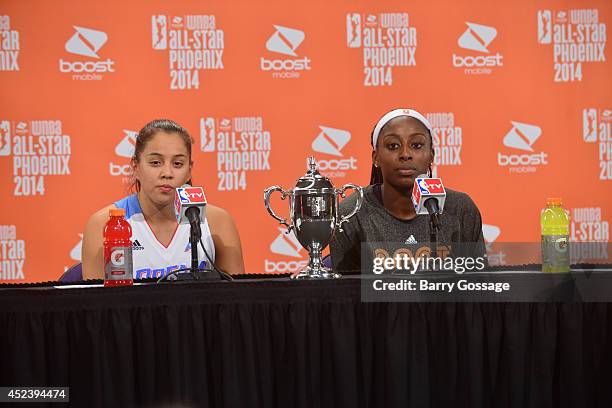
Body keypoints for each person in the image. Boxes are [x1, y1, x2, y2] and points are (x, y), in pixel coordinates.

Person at [82, 119, 245, 280]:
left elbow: (237, 299)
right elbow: (97, 303)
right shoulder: (104, 224)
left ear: (189, 171)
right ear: (136, 167)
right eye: (155, 163)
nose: (167, 172)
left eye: (178, 163)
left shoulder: (217, 221)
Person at [330, 108, 486, 273]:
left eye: (416, 145)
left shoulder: (460, 209)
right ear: (376, 157)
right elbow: (346, 293)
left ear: (431, 156)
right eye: (393, 146)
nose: (405, 154)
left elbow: (480, 287)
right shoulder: (350, 214)